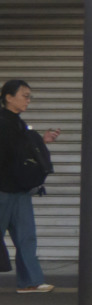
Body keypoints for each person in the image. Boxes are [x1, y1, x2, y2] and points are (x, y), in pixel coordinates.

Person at [2, 78, 59, 292]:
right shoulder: (4, 123)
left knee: (27, 237)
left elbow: (21, 151)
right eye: (24, 96)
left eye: (29, 97)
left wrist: (41, 141)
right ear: (9, 97)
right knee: (25, 236)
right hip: (3, 190)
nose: (28, 100)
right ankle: (30, 281)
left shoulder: (18, 123)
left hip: (19, 189)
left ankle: (31, 281)